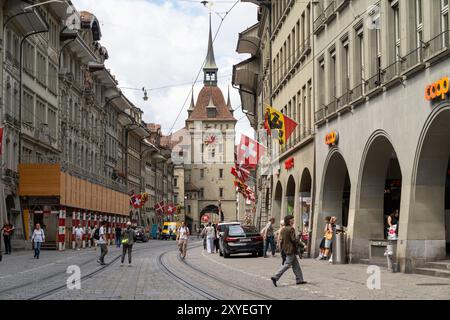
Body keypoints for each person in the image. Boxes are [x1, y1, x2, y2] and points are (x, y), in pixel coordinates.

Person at [271, 215, 307, 286]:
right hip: (291, 249)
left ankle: (299, 279)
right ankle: (275, 277)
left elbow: (283, 240)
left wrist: (282, 249)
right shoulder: (291, 229)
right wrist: (302, 244)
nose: (293, 221)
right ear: (289, 221)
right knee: (287, 264)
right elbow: (294, 240)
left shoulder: (284, 229)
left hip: (286, 249)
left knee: (296, 265)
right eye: (292, 220)